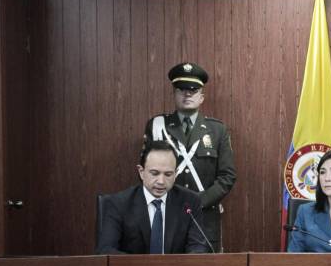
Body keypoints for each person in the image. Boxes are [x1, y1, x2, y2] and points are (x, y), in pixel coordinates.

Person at [144, 62, 236, 251]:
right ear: (174, 94)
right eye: (181, 89)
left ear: (202, 96)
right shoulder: (157, 126)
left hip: (204, 218)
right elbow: (146, 171)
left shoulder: (217, 130)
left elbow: (227, 176)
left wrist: (199, 202)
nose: (187, 94)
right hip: (166, 214)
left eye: (193, 90)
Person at [96, 141, 209, 255]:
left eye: (168, 174)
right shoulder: (118, 204)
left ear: (176, 174)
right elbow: (106, 251)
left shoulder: (190, 202)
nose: (161, 181)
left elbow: (198, 248)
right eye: (154, 173)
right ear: (141, 172)